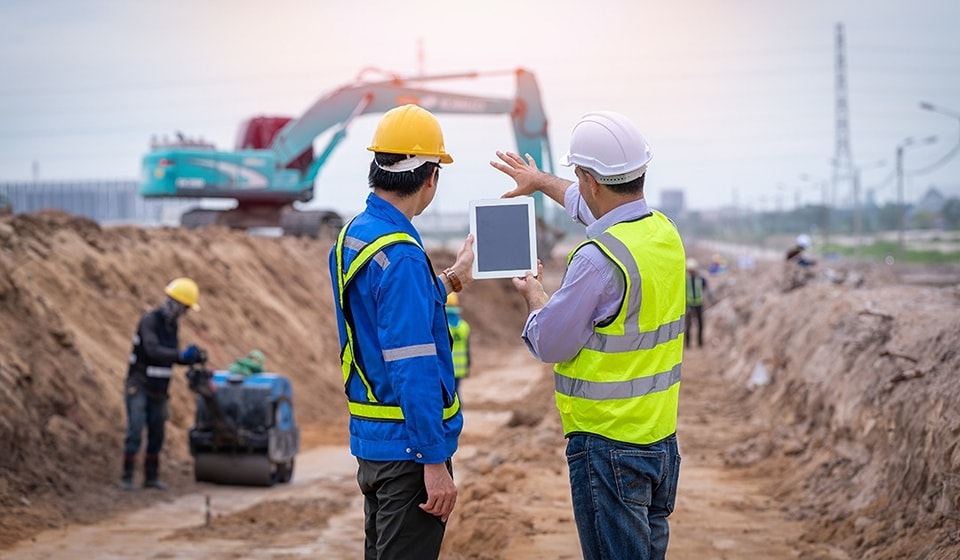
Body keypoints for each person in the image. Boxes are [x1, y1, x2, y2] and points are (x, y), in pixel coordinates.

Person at [491, 110, 685, 560]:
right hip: (660, 442)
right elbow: (586, 205)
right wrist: (540, 181)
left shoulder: (597, 260)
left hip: (608, 449)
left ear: (590, 180)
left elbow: (551, 342)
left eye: (579, 179)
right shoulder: (664, 234)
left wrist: (535, 296)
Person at [328, 104, 475, 560]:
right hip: (408, 452)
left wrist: (449, 281)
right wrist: (433, 461)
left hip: (374, 441)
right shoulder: (405, 255)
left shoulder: (357, 233)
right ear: (431, 176)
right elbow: (412, 365)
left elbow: (382, 312)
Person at [121, 277, 207, 491]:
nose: (185, 313)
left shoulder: (172, 326)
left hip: (159, 389)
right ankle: (127, 476)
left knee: (157, 433)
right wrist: (180, 355)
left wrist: (189, 358)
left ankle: (151, 477)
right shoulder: (149, 321)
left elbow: (169, 356)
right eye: (185, 308)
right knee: (135, 430)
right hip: (139, 385)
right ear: (176, 304)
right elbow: (153, 350)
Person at [445, 292, 471, 398]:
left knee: (447, 395)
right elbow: (467, 348)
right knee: (456, 393)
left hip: (446, 366)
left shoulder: (442, 327)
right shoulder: (464, 326)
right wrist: (468, 364)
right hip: (460, 367)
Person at [685, 258, 709, 349]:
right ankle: (687, 344)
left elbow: (705, 289)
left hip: (699, 304)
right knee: (688, 325)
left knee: (701, 324)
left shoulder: (701, 279)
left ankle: (700, 343)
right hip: (689, 304)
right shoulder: (685, 279)